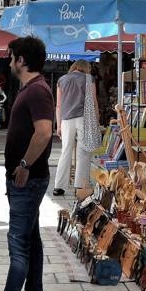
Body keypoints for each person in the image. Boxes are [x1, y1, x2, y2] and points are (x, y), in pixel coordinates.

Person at [0, 37, 54, 291]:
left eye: (11, 56)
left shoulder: (37, 91)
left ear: (22, 60)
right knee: (31, 238)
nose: (8, 61)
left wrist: (23, 166)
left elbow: (44, 132)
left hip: (28, 179)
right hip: (27, 179)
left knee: (18, 244)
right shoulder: (33, 89)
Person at [53, 60, 97, 197]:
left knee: (65, 151)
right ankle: (80, 186)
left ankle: (59, 187)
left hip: (66, 120)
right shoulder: (89, 79)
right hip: (84, 118)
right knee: (83, 152)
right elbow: (94, 102)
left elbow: (58, 105)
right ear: (85, 68)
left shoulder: (62, 80)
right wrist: (96, 121)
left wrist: (58, 125)